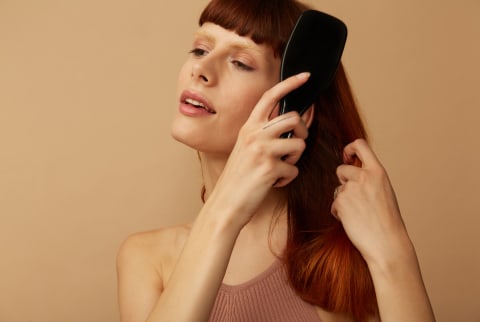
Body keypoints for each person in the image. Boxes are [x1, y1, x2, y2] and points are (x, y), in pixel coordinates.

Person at [116, 0, 436, 321]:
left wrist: (394, 252)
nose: (201, 69)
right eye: (200, 50)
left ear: (295, 111)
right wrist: (227, 207)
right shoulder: (146, 258)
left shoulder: (336, 259)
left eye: (240, 62)